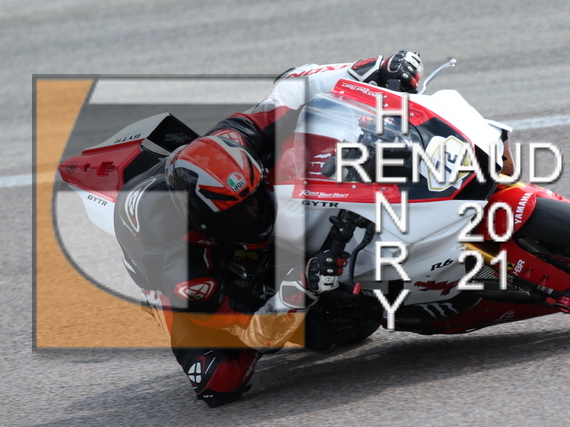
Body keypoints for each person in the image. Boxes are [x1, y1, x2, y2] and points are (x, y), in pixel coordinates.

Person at [114, 51, 425, 407]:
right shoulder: (185, 273)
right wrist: (302, 287)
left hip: (206, 185)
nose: (254, 216)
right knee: (220, 381)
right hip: (186, 279)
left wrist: (377, 67)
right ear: (204, 219)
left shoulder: (234, 137)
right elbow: (253, 331)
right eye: (238, 216)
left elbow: (294, 86)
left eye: (254, 201)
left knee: (307, 140)